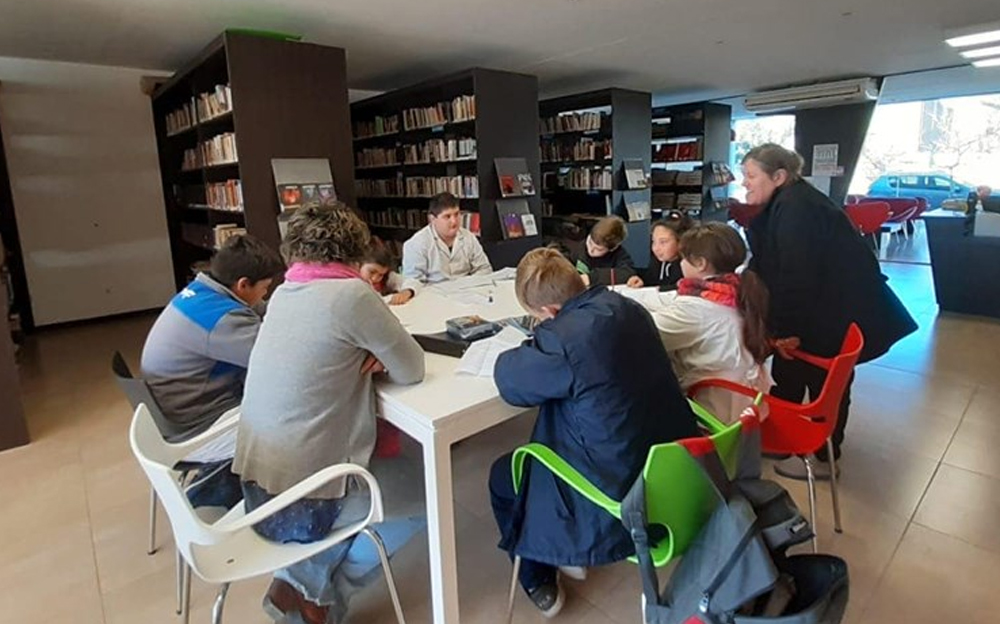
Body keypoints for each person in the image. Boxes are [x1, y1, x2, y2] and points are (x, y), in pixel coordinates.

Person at [233, 204, 426, 624]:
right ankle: (321, 598)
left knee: (375, 473)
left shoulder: (283, 292)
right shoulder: (352, 295)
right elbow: (412, 368)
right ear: (355, 247)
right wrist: (380, 353)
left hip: (256, 488)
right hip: (304, 500)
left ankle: (295, 580)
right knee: (426, 497)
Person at [488, 248, 699, 617]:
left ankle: (537, 576)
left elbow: (510, 381)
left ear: (549, 311)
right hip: (671, 467)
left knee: (502, 476)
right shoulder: (629, 308)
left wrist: (536, 341)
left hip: (617, 491)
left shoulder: (562, 340)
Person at [741, 143, 917, 478]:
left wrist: (785, 330)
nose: (744, 183)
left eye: (751, 176)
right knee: (790, 376)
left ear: (778, 177)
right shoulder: (792, 201)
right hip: (825, 310)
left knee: (819, 382)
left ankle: (822, 457)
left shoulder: (797, 210)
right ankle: (787, 439)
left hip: (830, 315)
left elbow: (796, 276)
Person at [141, 235, 284, 507]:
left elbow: (260, 310)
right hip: (197, 428)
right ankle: (229, 496)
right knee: (294, 418)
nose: (265, 294)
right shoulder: (223, 320)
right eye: (265, 288)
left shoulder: (202, 292)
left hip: (173, 413)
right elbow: (277, 362)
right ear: (243, 284)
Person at [641, 223, 773, 423]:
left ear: (700, 263)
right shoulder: (734, 290)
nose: (681, 263)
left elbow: (640, 332)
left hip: (714, 417)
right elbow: (668, 298)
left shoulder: (698, 309)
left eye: (684, 258)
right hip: (747, 407)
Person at [401, 191, 492, 288]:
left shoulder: (468, 237)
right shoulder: (416, 244)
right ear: (432, 219)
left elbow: (485, 269)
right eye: (447, 216)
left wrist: (468, 284)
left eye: (456, 214)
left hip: (468, 290)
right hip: (435, 294)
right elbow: (413, 282)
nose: (454, 221)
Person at [626, 211, 693, 290]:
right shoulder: (657, 262)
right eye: (654, 241)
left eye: (663, 242)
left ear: (681, 241)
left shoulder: (688, 267)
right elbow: (651, 278)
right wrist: (641, 280)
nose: (656, 248)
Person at [572, 215, 636, 287]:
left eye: (598, 249)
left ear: (613, 249)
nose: (591, 250)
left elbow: (627, 273)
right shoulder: (579, 247)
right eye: (590, 242)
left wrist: (591, 278)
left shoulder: (620, 256)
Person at [359, 241, 415, 306]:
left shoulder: (387, 277)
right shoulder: (354, 284)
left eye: (381, 275)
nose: (375, 278)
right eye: (372, 272)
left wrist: (407, 292)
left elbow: (413, 282)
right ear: (358, 264)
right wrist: (390, 298)